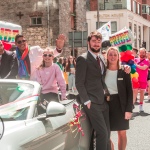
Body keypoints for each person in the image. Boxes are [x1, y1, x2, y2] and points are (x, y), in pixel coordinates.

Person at [75, 31, 111, 150]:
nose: (96, 44)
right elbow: (79, 83)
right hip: (91, 102)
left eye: (98, 41)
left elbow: (102, 77)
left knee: (107, 133)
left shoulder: (101, 57)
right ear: (88, 42)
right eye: (94, 41)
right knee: (102, 133)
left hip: (103, 101)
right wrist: (86, 101)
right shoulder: (82, 59)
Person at [105, 47, 133, 150]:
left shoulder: (124, 71)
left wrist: (128, 109)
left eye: (115, 55)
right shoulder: (103, 71)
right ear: (107, 56)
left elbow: (129, 91)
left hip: (121, 105)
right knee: (105, 134)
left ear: (118, 57)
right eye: (110, 54)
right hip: (106, 105)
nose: (112, 57)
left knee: (122, 132)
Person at [134, 48, 149, 112]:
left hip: (143, 79)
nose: (142, 54)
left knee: (142, 93)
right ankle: (131, 105)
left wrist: (136, 65)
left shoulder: (147, 61)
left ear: (145, 53)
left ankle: (141, 105)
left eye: (143, 52)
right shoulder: (135, 59)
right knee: (134, 92)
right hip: (135, 79)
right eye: (141, 52)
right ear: (139, 53)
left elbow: (143, 68)